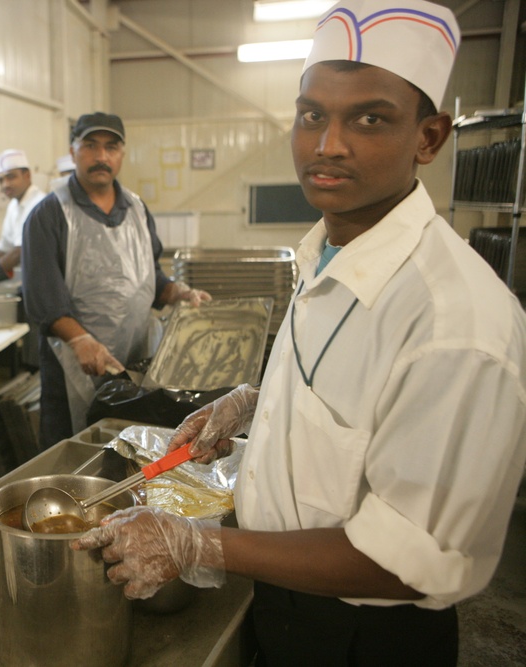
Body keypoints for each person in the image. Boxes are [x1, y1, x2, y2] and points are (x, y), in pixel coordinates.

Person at [72, 2, 526, 664]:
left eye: (369, 118)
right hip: (282, 596)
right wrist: (252, 401)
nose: (327, 144)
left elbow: (409, 559)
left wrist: (196, 543)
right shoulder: (327, 253)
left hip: (361, 636)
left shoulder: (457, 323)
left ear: (428, 138)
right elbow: (343, 382)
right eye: (312, 114)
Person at [21, 111, 211, 449]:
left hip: (133, 366)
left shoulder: (137, 209)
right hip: (73, 374)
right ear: (73, 150)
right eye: (90, 145)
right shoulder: (49, 215)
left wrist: (178, 293)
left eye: (111, 147)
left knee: (128, 454)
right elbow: (43, 301)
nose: (101, 157)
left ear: (122, 153)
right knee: (74, 458)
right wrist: (81, 341)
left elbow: (149, 278)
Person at [0, 149, 45, 285]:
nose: (5, 184)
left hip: (43, 281)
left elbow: (19, 251)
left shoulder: (40, 205)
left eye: (11, 177)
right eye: (0, 180)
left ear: (27, 175)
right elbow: (3, 247)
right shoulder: (14, 205)